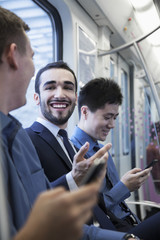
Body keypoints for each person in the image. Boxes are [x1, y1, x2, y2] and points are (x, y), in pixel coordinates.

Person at [0, 6, 117, 240]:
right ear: (13, 55)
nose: (60, 95)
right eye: (32, 58)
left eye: (68, 87)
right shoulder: (20, 138)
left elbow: (40, 202)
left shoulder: (15, 135)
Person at [26, 61, 160, 240]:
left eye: (67, 88)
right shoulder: (26, 140)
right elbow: (33, 205)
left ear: (74, 97)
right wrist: (72, 179)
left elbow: (96, 202)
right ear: (36, 98)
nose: (60, 94)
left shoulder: (70, 146)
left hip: (112, 227)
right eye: (50, 87)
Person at [71, 77, 153, 227]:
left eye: (115, 118)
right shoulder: (75, 154)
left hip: (130, 222)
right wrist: (124, 187)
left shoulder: (103, 149)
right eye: (107, 117)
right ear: (85, 112)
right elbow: (92, 211)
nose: (112, 125)